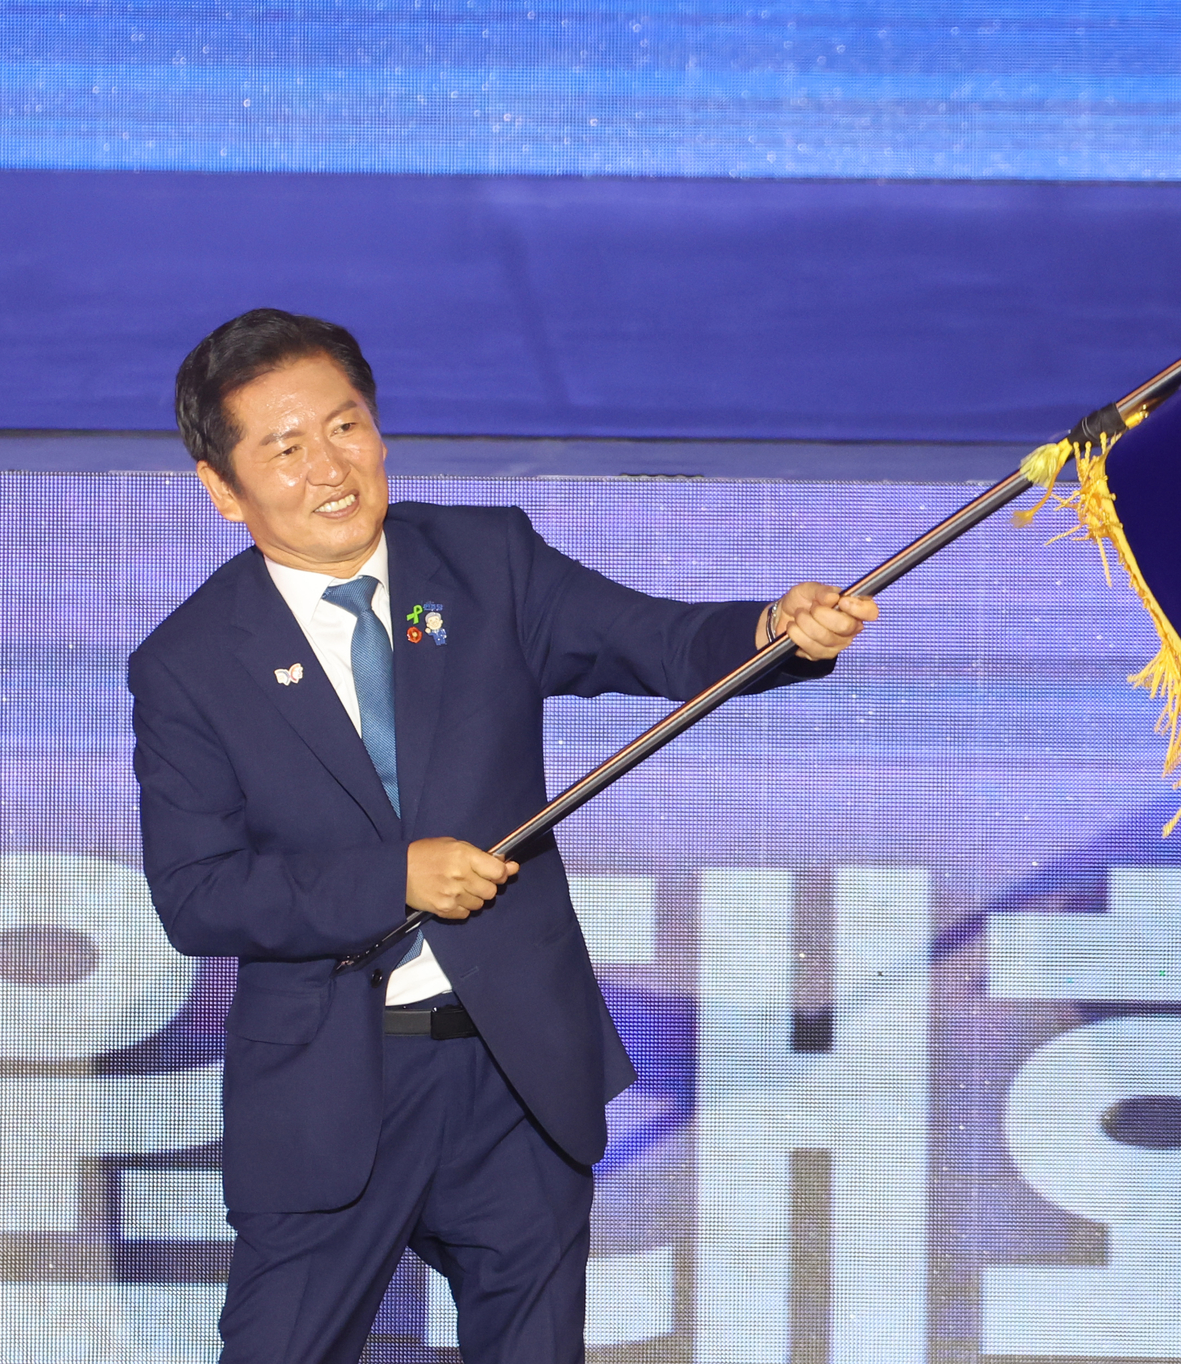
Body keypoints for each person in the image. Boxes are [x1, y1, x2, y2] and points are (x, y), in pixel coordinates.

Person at [128, 308, 877, 1363]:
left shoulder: (485, 562)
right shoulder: (189, 662)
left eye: (345, 427)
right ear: (224, 487)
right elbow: (198, 894)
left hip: (511, 1069)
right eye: (285, 448)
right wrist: (395, 878)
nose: (329, 468)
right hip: (332, 1087)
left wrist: (769, 632)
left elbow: (657, 639)